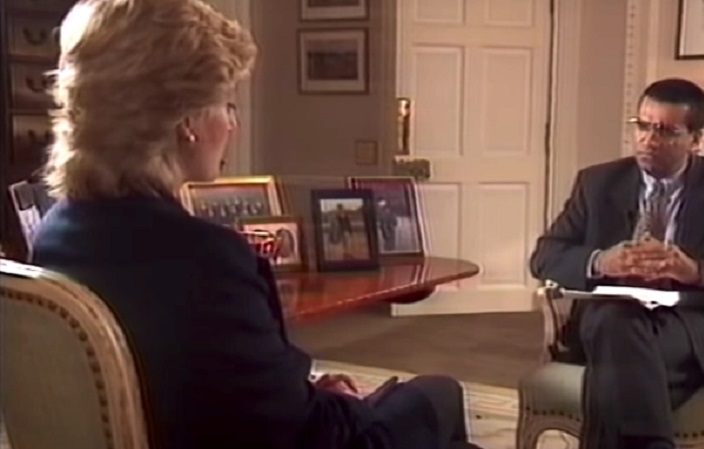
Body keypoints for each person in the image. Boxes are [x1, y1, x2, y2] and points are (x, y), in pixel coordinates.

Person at [30, 1, 481, 449]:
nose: (233, 124)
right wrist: (340, 403)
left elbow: (202, 380)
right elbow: (311, 436)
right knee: (437, 394)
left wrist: (306, 394)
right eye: (226, 105)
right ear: (187, 121)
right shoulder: (205, 260)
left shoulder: (54, 235)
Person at [529, 78, 704, 449]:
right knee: (615, 319)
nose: (648, 140)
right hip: (609, 318)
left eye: (666, 131)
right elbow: (545, 255)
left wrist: (699, 271)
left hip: (693, 325)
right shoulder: (598, 182)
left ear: (696, 139)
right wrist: (601, 261)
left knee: (614, 373)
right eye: (642, 126)